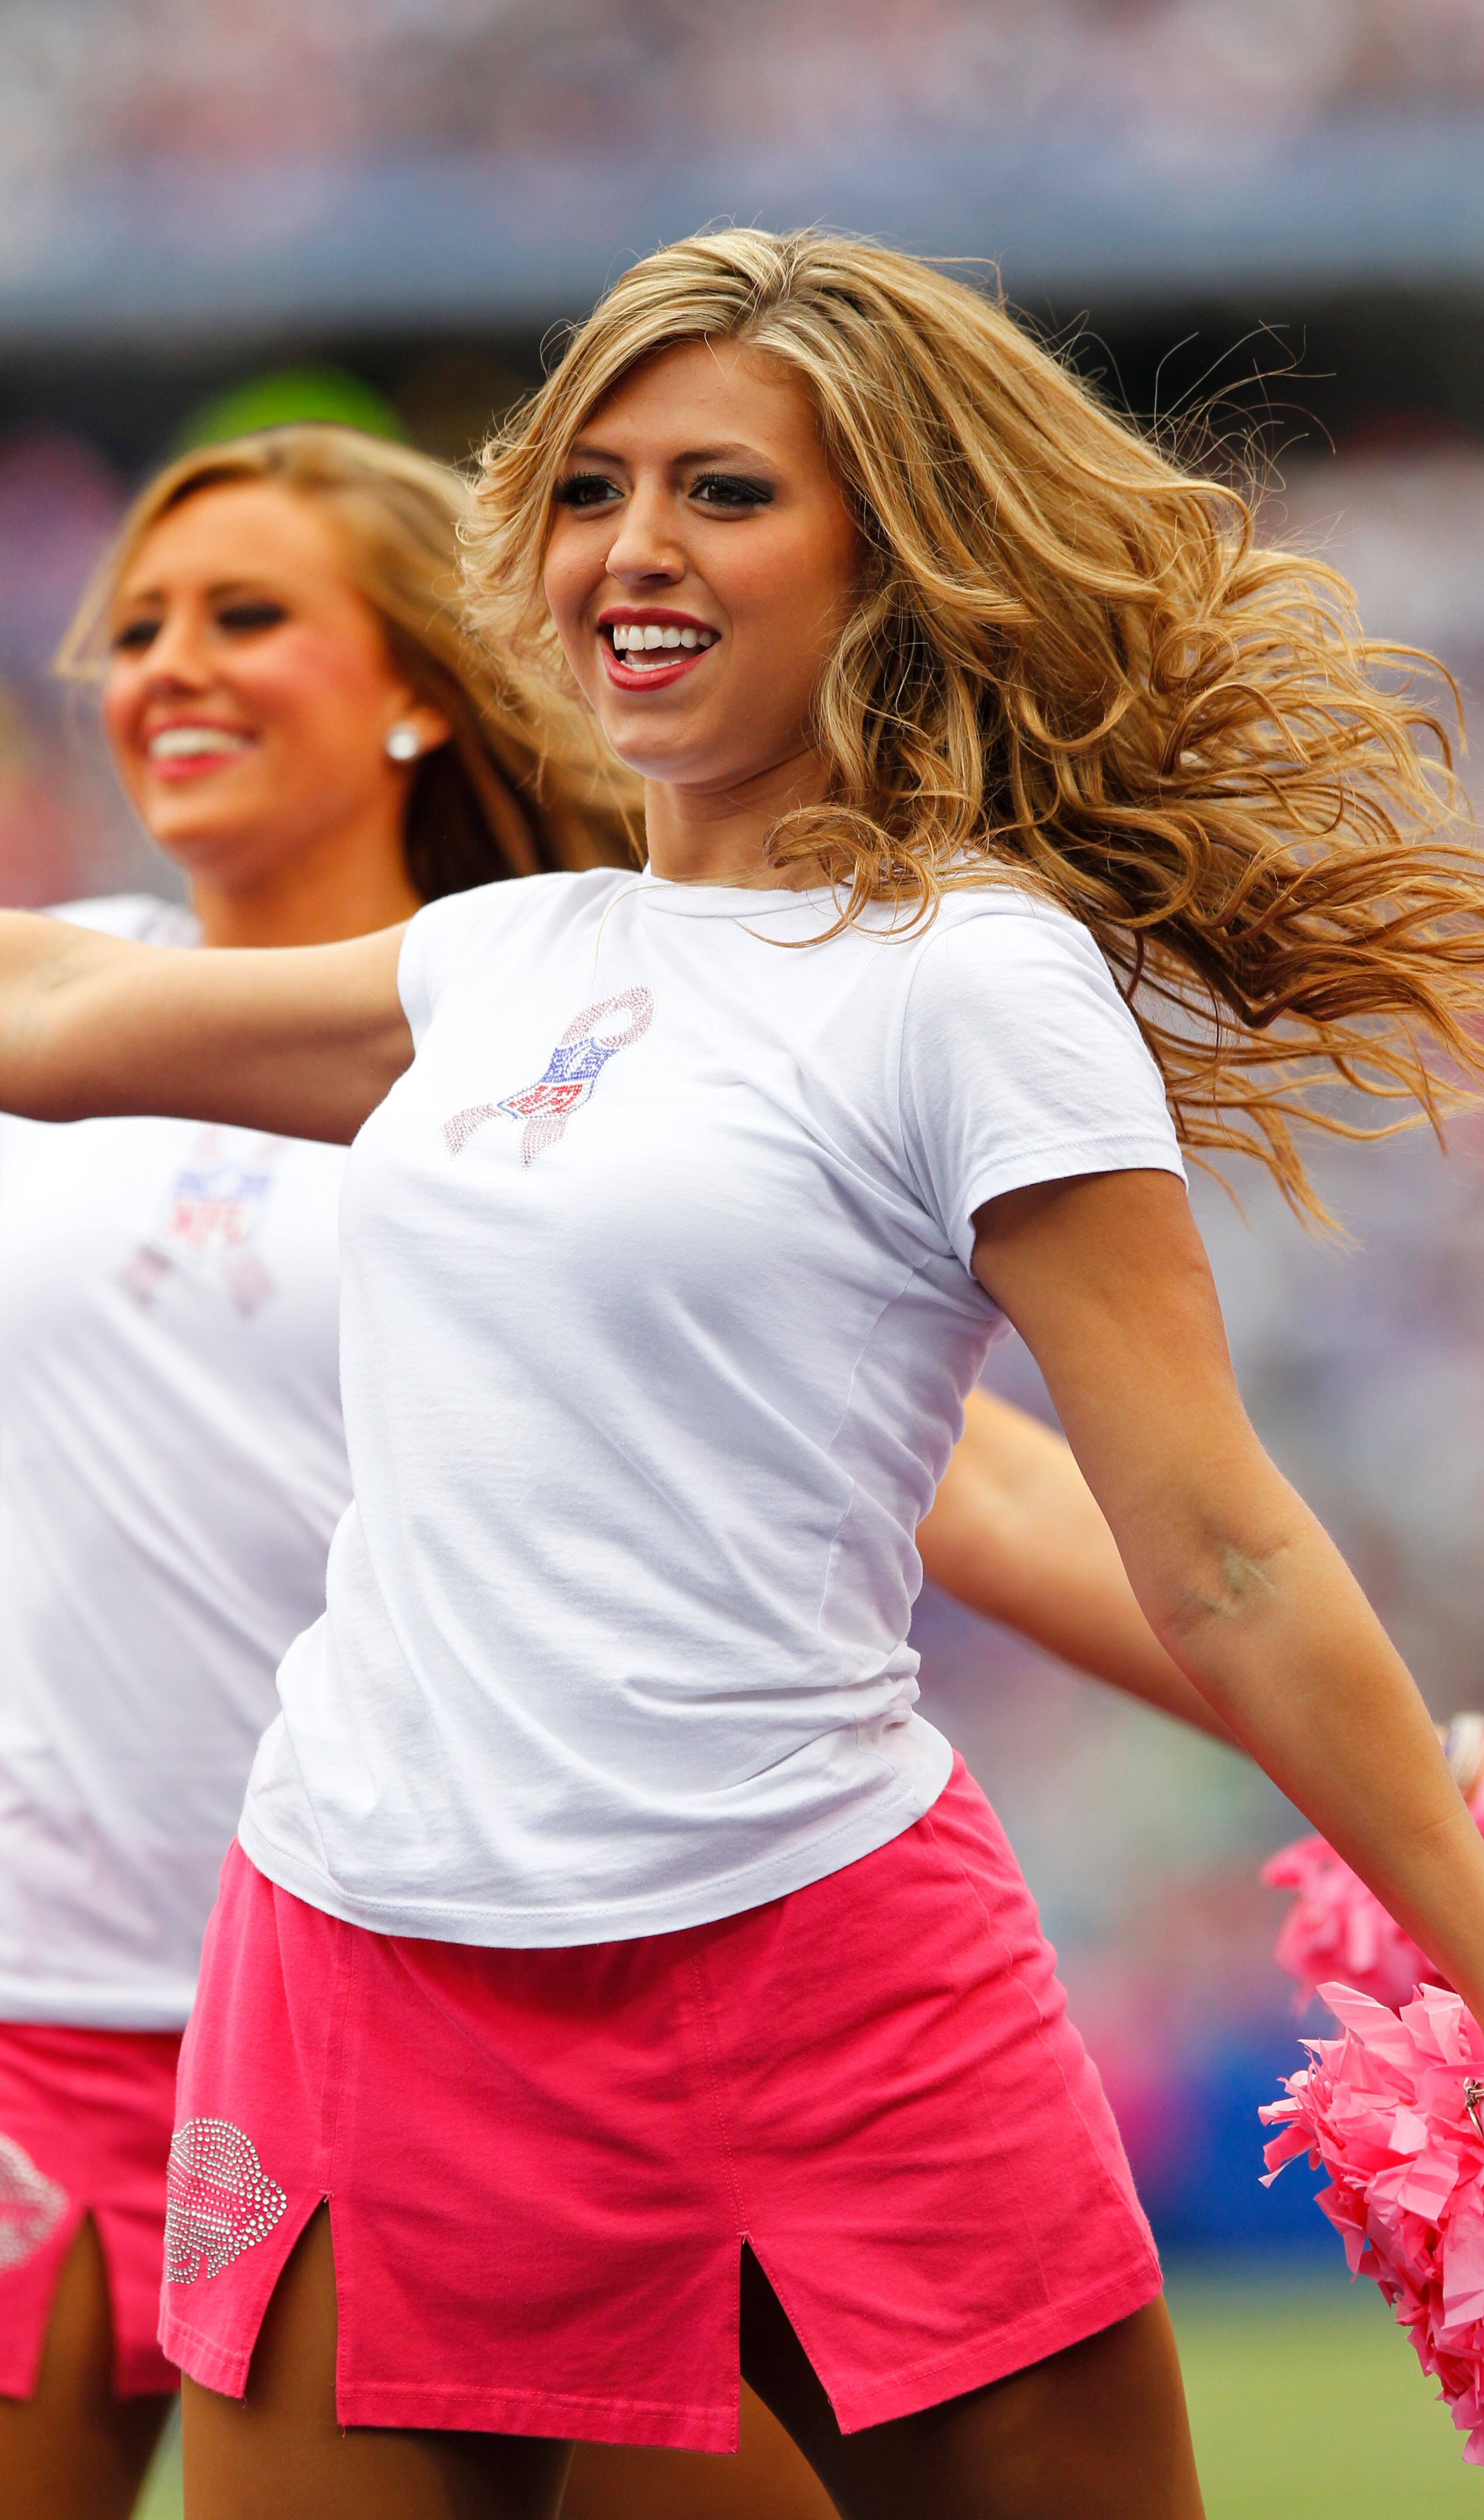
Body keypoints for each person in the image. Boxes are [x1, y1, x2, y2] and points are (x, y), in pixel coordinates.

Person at [0, 233, 1484, 2520]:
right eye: (590, 488)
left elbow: (1221, 1546)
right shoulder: (501, 955)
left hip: (814, 1978)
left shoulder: (972, 979)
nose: (633, 547)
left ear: (885, 556)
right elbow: (53, 1028)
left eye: (724, 492)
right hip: (359, 1961)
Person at [0, 417, 1221, 2520]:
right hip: (77, 1998)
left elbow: (993, 1495)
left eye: (246, 616)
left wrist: (1398, 1744)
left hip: (483, 1974)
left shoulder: (558, 1045)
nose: (166, 667)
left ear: (410, 685)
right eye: (133, 631)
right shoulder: (75, 989)